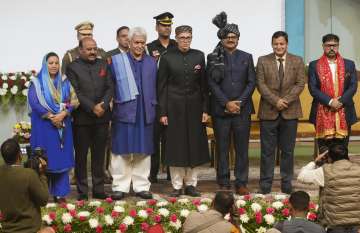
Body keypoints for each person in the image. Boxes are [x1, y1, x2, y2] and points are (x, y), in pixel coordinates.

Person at [158, 25, 210, 197]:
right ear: (176, 38)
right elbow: (162, 87)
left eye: (188, 37)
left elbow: (204, 86)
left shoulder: (199, 56)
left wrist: (205, 109)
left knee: (194, 146)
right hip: (174, 109)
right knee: (176, 147)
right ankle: (176, 185)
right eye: (182, 38)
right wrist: (163, 112)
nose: (185, 41)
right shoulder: (167, 57)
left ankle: (191, 184)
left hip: (195, 109)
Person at [207, 12, 256, 195]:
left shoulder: (247, 56)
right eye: (227, 36)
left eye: (234, 36)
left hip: (242, 110)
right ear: (222, 38)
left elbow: (252, 82)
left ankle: (241, 181)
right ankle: (224, 180)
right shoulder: (213, 57)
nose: (231, 39)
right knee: (222, 147)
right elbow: (211, 83)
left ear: (238, 38)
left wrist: (240, 102)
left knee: (242, 148)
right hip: (221, 110)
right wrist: (226, 103)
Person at [108, 27, 157, 200]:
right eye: (136, 42)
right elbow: (110, 86)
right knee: (121, 150)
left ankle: (141, 186)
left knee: (143, 151)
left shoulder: (152, 62)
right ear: (129, 42)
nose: (139, 46)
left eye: (142, 43)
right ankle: (119, 186)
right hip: (124, 111)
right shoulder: (116, 61)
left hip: (145, 111)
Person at [256, 31, 305, 194]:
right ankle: (265, 183)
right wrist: (276, 100)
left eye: (281, 44)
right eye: (276, 44)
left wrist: (286, 100)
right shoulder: (263, 60)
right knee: (267, 151)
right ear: (272, 44)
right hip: (268, 111)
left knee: (288, 150)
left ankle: (286, 182)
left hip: (290, 112)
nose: (279, 46)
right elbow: (260, 85)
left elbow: (300, 84)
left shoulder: (297, 60)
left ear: (287, 44)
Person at [66, 37, 113, 200]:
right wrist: (93, 107)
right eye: (89, 49)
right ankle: (83, 191)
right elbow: (76, 91)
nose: (93, 52)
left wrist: (104, 105)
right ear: (81, 50)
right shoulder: (72, 67)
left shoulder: (103, 64)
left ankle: (99, 189)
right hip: (81, 120)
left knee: (99, 156)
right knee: (81, 156)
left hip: (102, 118)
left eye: (94, 48)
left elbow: (110, 87)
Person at [28, 52, 79, 203]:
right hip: (44, 127)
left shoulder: (65, 81)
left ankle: (60, 193)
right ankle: (41, 194)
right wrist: (51, 117)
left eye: (56, 63)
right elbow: (34, 102)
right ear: (45, 64)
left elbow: (74, 100)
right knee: (44, 160)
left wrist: (64, 114)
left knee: (61, 160)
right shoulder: (36, 82)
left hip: (62, 126)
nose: (54, 66)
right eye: (51, 63)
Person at [308, 34, 358, 150]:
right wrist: (330, 102)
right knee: (324, 149)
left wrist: (340, 101)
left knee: (342, 149)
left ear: (338, 46)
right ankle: (325, 167)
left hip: (344, 109)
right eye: (328, 45)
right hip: (322, 109)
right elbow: (313, 88)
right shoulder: (314, 65)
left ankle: (340, 168)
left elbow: (353, 86)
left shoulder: (349, 64)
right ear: (323, 46)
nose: (331, 48)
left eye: (334, 45)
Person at [298, 143, 360, 233]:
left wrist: (314, 162)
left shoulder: (325, 171)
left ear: (329, 157)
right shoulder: (358, 169)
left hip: (333, 225)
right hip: (356, 225)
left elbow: (301, 176)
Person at [147, 12, 177, 183]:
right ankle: (152, 173)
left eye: (169, 25)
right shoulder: (150, 47)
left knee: (171, 138)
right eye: (163, 25)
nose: (166, 28)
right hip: (154, 98)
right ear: (157, 27)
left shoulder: (176, 45)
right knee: (154, 138)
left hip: (173, 99)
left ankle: (172, 173)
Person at [0, 138, 49, 233]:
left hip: (7, 229)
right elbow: (44, 199)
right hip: (30, 229)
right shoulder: (29, 174)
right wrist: (42, 174)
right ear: (20, 155)